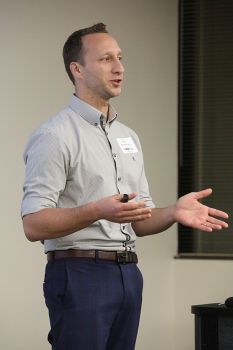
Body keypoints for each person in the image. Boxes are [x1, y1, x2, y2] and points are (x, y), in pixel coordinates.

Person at [21, 23, 228, 350]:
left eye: (119, 57)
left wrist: (173, 211)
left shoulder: (127, 137)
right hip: (79, 274)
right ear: (77, 69)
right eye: (105, 59)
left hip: (128, 274)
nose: (119, 67)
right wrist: (96, 210)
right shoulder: (54, 136)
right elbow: (33, 224)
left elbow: (140, 222)